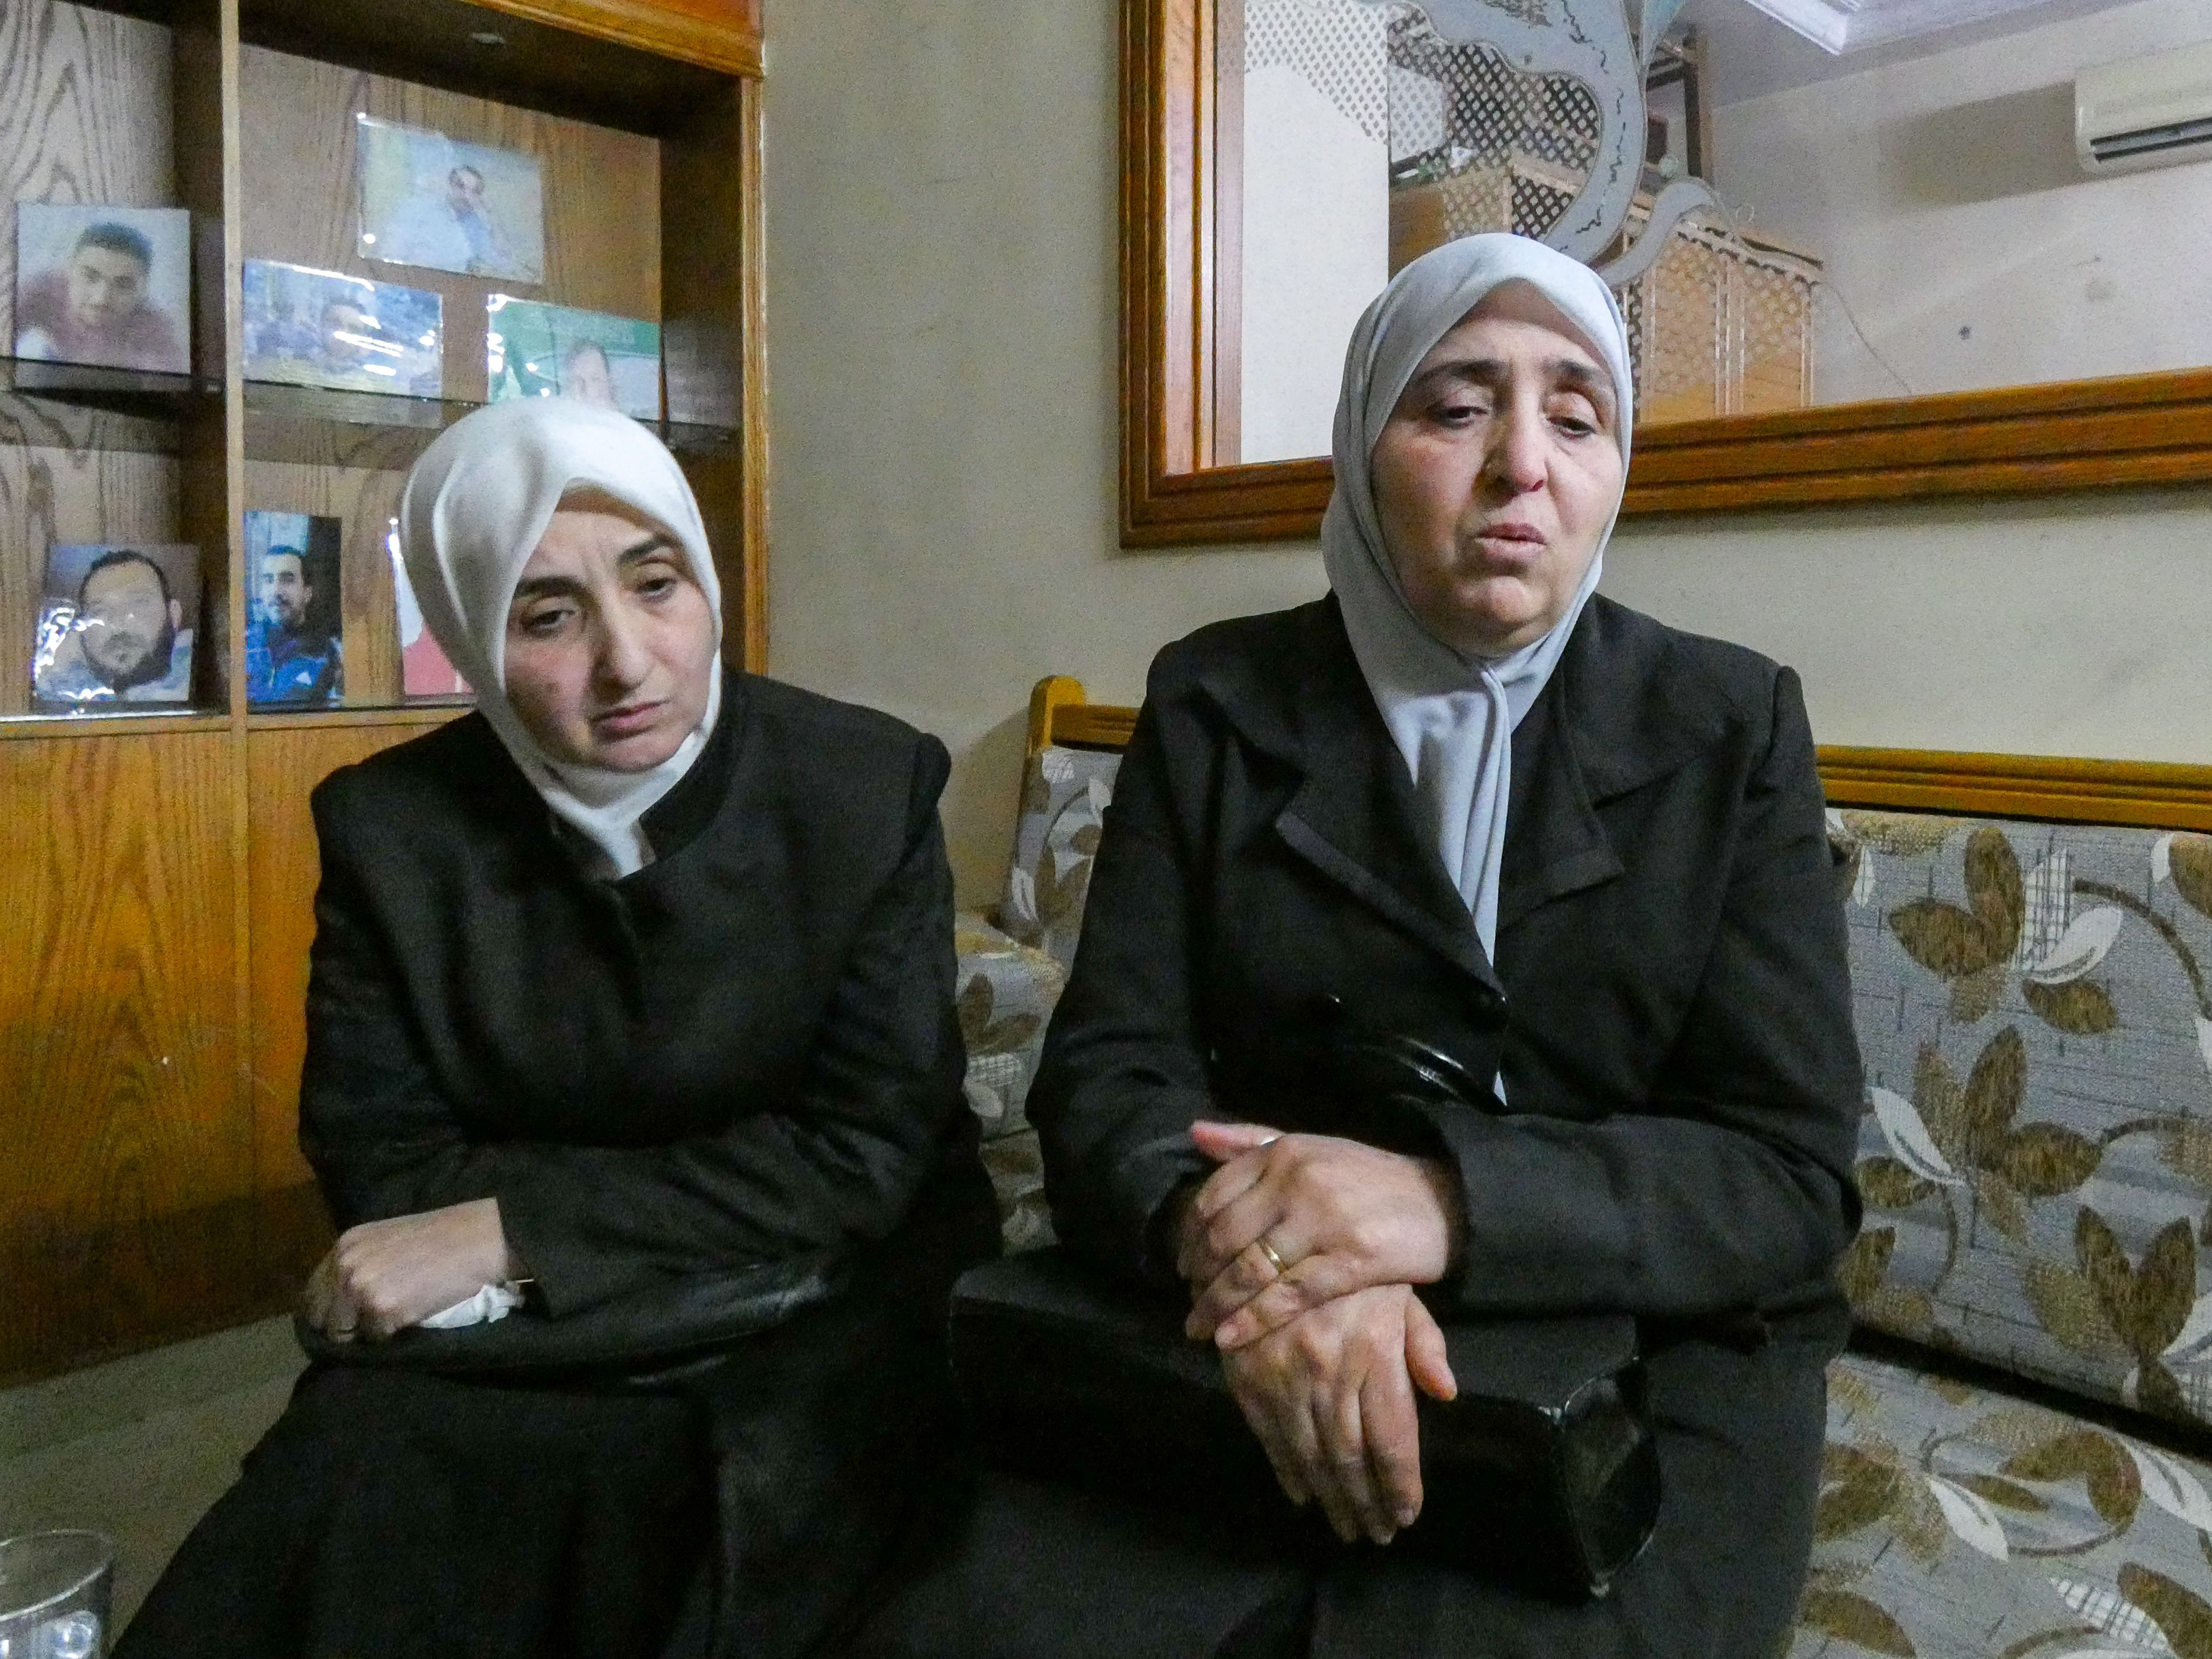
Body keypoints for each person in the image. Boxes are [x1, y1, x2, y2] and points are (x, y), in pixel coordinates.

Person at [861, 234, 1862, 1657]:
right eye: (1456, 406)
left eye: (1577, 415)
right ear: (1362, 444)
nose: (1525, 462)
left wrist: (1442, 1206)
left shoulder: (1728, 725)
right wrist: (1257, 1259)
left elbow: (1787, 1176)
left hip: (1640, 1345)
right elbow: (1106, 1077)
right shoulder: (1219, 699)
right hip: (1247, 1320)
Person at [117, 398, 998, 1659]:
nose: (629, 661)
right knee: (346, 1508)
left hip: (826, 1299)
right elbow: (382, 1158)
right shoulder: (392, 830)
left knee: (750, 1546)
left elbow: (864, 1157)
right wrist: (525, 1240)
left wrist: (508, 1227)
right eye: (548, 615)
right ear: (473, 631)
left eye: (658, 586)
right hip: (539, 1325)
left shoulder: (863, 787)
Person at [14, 220, 187, 373]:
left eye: (123, 284)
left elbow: (169, 385)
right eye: (90, 276)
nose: (101, 300)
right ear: (69, 270)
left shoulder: (154, 329)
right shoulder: (43, 290)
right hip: (54, 361)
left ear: (143, 289)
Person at [32, 548, 193, 704]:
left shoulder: (197, 674)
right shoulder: (58, 689)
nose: (118, 621)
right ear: (82, 633)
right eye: (99, 611)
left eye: (139, 602)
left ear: (173, 615)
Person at [379, 161, 518, 277]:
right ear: (449, 185)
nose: (467, 196)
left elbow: (505, 264)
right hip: (412, 287)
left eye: (475, 191)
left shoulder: (477, 225)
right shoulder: (417, 208)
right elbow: (390, 255)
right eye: (461, 186)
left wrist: (492, 215)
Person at [244, 546, 343, 705]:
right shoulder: (243, 647)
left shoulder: (328, 656)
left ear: (307, 593)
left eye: (287, 580)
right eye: (269, 580)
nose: (276, 590)